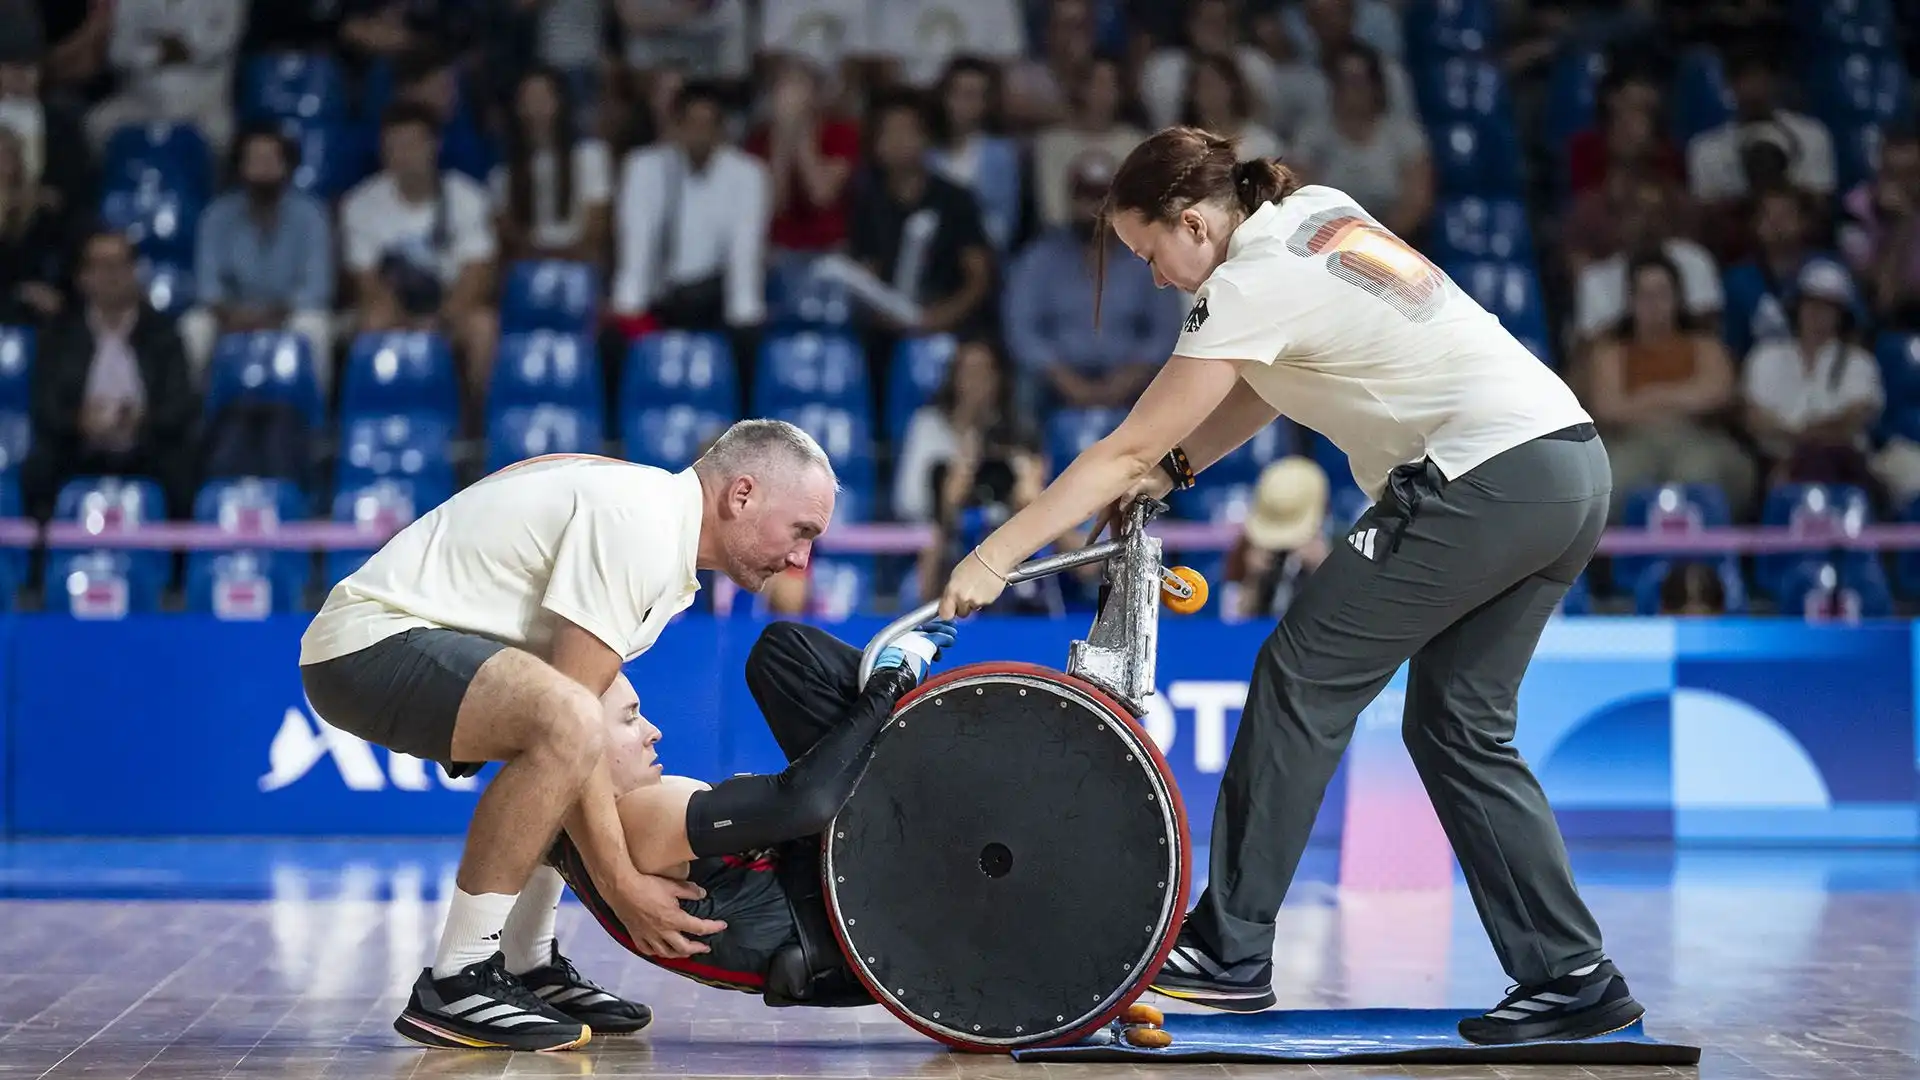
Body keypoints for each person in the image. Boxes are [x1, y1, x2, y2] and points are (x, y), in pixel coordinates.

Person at [935, 127, 1640, 1046]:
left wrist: (995, 557)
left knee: (1301, 674)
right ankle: (1572, 975)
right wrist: (1182, 466)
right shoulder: (1312, 215)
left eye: (1152, 254)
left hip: (1482, 476)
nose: (1155, 278)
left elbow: (1122, 449)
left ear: (1193, 221)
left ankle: (1228, 950)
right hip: (1568, 467)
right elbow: (1269, 384)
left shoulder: (1247, 281)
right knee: (1458, 724)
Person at [298, 420, 839, 1052]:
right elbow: (574, 716)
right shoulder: (641, 523)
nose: (802, 558)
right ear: (741, 494)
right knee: (574, 727)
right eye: (802, 531)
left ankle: (527, 964)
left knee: (589, 736)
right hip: (368, 645)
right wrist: (622, 886)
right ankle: (457, 978)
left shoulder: (651, 519)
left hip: (433, 642)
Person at [551, 617, 958, 1004]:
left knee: (779, 654)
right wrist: (891, 682)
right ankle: (919, 696)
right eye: (629, 719)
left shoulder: (560, 825)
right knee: (785, 653)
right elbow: (803, 803)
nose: (652, 732)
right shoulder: (636, 815)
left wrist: (530, 964)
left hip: (852, 916)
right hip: (868, 921)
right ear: (584, 741)